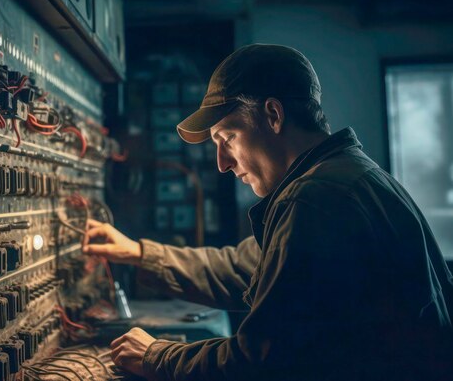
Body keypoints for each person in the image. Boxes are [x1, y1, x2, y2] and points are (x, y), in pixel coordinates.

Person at [83, 44, 453, 381]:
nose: (222, 164)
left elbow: (261, 362)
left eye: (227, 139)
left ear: (273, 115)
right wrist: (138, 253)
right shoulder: (348, 175)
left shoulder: (315, 197)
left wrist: (157, 356)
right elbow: (242, 268)